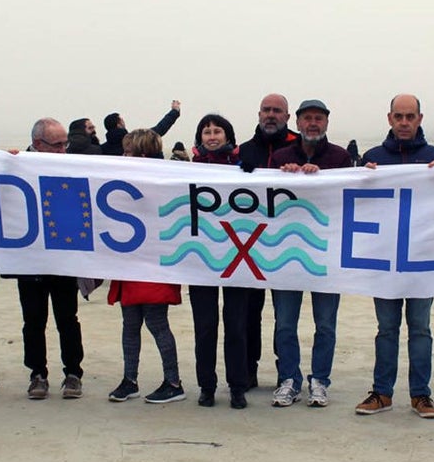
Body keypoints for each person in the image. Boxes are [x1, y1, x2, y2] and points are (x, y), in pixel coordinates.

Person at [354, 94, 434, 419]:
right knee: (386, 329)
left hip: (422, 259)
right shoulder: (374, 157)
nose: (404, 122)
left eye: (410, 116)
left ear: (420, 118)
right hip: (385, 260)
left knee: (420, 328)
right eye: (399, 116)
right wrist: (362, 177)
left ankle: (421, 395)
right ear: (389, 118)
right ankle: (382, 392)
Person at [269, 99, 353, 408]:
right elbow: (267, 202)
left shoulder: (341, 158)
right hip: (286, 252)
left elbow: (349, 199)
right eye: (307, 119)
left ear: (326, 123)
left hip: (325, 254)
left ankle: (320, 380)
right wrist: (283, 175)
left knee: (326, 324)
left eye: (318, 119)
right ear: (298, 123)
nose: (313, 124)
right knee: (285, 323)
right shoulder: (280, 157)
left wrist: (323, 179)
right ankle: (289, 379)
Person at [107, 129, 186, 404]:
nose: (123, 156)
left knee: (156, 323)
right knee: (130, 325)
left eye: (127, 152)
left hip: (153, 265)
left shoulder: (162, 181)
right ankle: (130, 379)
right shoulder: (124, 180)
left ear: (141, 154)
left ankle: (173, 381)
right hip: (130, 263)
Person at [14, 118, 87, 400]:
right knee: (33, 320)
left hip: (63, 254)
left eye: (64, 144)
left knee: (68, 318)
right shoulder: (17, 165)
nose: (62, 150)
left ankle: (73, 373)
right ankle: (37, 374)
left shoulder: (69, 164)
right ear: (37, 144)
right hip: (29, 257)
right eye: (56, 145)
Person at [186, 113, 250, 409]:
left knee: (236, 326)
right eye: (207, 132)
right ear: (200, 137)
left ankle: (238, 386)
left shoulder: (243, 165)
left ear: (228, 136)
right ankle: (206, 385)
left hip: (238, 258)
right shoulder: (187, 169)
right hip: (201, 259)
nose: (212, 136)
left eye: (218, 131)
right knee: (205, 326)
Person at [238, 93, 299, 389]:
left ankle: (284, 370)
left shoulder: (299, 147)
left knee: (284, 317)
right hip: (251, 245)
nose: (271, 115)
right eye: (266, 110)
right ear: (259, 114)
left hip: (289, 244)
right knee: (250, 313)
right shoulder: (244, 150)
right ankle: (249, 369)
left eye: (277, 111)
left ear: (287, 117)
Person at [100, 100, 181, 156]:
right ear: (119, 124)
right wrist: (175, 111)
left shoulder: (101, 150)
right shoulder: (137, 141)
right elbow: (160, 128)